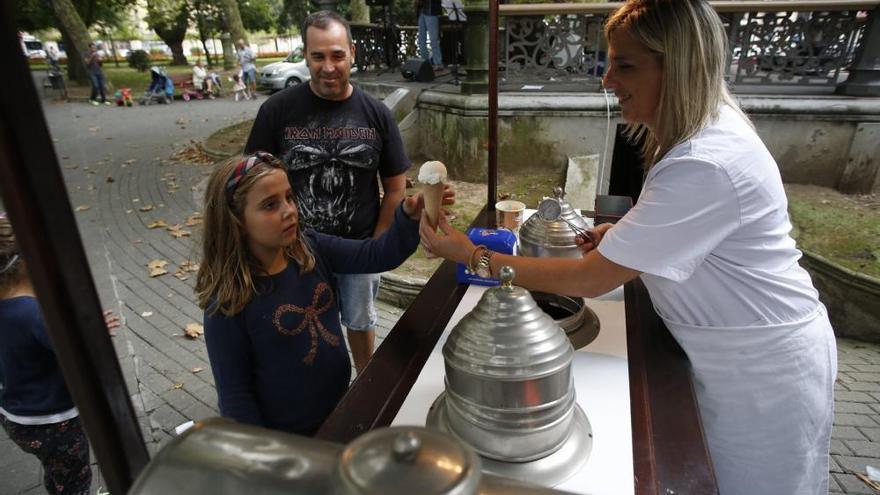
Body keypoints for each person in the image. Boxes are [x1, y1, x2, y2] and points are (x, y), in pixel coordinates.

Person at [419, 1, 836, 493]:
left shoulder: (707, 161)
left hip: (760, 371)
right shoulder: (704, 135)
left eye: (626, 64)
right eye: (610, 62)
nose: (607, 81)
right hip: (732, 351)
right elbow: (681, 229)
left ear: (677, 66)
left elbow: (589, 279)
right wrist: (621, 237)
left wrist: (471, 255)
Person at [195, 152, 448, 435]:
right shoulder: (228, 304)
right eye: (270, 205)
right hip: (288, 439)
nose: (289, 210)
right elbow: (235, 401)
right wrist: (263, 457)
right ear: (236, 221)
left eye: (289, 197)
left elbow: (375, 255)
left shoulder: (311, 250)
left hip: (339, 409)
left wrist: (407, 216)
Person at [244, 11, 412, 375]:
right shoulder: (276, 111)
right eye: (318, 56)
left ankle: (365, 383)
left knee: (360, 321)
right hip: (295, 251)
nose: (328, 67)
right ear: (305, 55)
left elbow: (396, 187)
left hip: (358, 249)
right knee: (304, 327)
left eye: (337, 55)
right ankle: (315, 389)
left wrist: (377, 247)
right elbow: (251, 183)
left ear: (352, 52)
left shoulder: (377, 115)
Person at [0, 215, 119, 495]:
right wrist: (93, 335)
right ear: (27, 263)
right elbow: (79, 355)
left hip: (15, 415)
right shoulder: (36, 315)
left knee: (57, 469)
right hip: (55, 422)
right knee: (75, 478)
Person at [415, 0, 443, 69]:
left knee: (433, 39)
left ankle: (438, 63)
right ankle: (425, 63)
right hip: (421, 12)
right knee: (421, 40)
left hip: (431, 12)